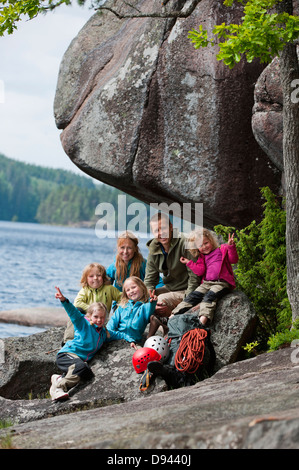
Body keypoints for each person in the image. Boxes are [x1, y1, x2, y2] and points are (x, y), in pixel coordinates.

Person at [50, 287, 125, 402]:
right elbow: (73, 312)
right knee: (81, 366)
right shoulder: (83, 324)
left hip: (78, 360)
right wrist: (64, 300)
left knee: (87, 373)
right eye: (96, 317)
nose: (99, 320)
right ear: (89, 316)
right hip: (66, 354)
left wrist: (133, 340)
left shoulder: (104, 333)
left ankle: (60, 378)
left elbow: (118, 335)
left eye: (102, 317)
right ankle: (59, 388)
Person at [144, 213, 200, 333]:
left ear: (170, 226)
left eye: (163, 228)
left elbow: (194, 277)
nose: (161, 233)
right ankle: (142, 333)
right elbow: (149, 281)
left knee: (162, 299)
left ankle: (170, 327)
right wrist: (150, 298)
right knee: (142, 297)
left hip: (188, 289)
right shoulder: (154, 249)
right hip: (170, 288)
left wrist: (187, 300)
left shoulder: (185, 242)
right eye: (156, 230)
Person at [171, 229, 238, 325]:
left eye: (206, 243)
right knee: (192, 297)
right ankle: (172, 316)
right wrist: (189, 263)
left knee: (209, 297)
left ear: (211, 240)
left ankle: (202, 321)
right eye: (200, 246)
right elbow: (200, 271)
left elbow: (233, 259)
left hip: (221, 282)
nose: (204, 247)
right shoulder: (202, 257)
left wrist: (231, 246)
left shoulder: (221, 249)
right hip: (206, 283)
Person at [63, 263, 122, 344]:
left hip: (101, 319)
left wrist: (119, 309)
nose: (95, 278)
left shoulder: (110, 289)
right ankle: (68, 340)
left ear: (104, 277)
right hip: (88, 319)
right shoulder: (85, 289)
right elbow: (77, 302)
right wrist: (92, 311)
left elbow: (122, 298)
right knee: (77, 311)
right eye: (91, 276)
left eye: (98, 275)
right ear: (86, 278)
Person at [106, 276, 158, 349]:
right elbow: (111, 323)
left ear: (142, 287)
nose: (131, 291)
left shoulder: (144, 306)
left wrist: (153, 302)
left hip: (135, 340)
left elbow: (150, 309)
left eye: (133, 287)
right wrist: (107, 333)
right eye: (128, 290)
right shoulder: (122, 306)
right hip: (118, 337)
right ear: (125, 293)